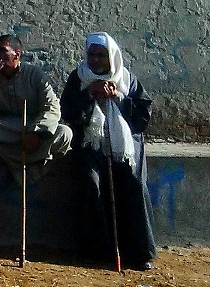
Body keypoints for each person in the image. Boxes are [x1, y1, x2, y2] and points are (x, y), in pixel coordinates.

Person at [61, 31, 157, 271]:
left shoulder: (127, 79)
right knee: (91, 184)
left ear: (111, 57)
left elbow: (142, 118)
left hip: (123, 148)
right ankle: (98, 251)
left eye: (100, 56)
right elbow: (70, 113)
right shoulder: (79, 78)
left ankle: (139, 252)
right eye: (91, 55)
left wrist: (119, 98)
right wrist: (90, 94)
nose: (94, 60)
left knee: (134, 185)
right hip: (90, 146)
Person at [0, 34, 72, 184]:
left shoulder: (35, 75)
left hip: (31, 130)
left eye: (2, 50)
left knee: (65, 133)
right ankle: (29, 161)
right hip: (4, 130)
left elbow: (52, 107)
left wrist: (36, 132)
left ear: (17, 53)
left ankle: (15, 159)